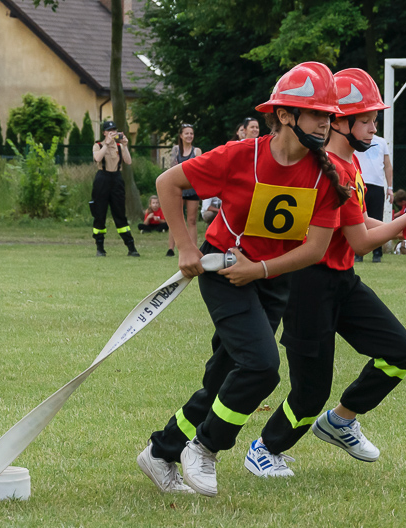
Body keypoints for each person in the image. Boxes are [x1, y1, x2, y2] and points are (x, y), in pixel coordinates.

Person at [137, 61, 347, 498]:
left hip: (269, 280)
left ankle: (161, 452)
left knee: (222, 379)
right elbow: (167, 183)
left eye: (330, 116)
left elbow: (314, 249)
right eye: (317, 114)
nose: (327, 124)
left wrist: (261, 270)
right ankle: (206, 449)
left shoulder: (327, 174)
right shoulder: (239, 155)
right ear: (285, 115)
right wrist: (186, 246)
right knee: (261, 367)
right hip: (225, 272)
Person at [242, 67, 406, 478]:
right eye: (365, 120)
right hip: (307, 284)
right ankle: (264, 449)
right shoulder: (329, 168)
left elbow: (358, 224)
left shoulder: (348, 166)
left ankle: (341, 420)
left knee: (400, 351)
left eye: (373, 120)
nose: (372, 128)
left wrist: (405, 220)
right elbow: (362, 241)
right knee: (310, 392)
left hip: (342, 280)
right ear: (340, 121)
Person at [90, 120, 139, 257]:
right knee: (100, 213)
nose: (112, 132)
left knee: (120, 213)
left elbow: (128, 161)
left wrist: (125, 146)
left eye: (114, 130)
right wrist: (106, 144)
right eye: (109, 130)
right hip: (102, 179)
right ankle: (100, 247)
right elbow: (97, 158)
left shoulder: (119, 146)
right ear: (104, 132)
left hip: (116, 179)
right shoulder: (98, 145)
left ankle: (131, 247)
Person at [354, 112, 393, 262]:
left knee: (376, 218)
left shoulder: (381, 142)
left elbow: (387, 166)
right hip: (360, 184)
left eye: (374, 122)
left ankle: (377, 252)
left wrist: (390, 187)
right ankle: (359, 253)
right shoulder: (356, 140)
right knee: (360, 219)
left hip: (377, 184)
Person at [166, 124, 203, 257]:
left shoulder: (197, 151)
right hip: (178, 188)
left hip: (192, 188)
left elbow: (198, 169)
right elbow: (171, 168)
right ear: (181, 135)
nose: (189, 136)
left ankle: (193, 248)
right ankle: (171, 248)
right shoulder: (176, 150)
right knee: (176, 218)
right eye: (186, 133)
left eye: (191, 133)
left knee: (191, 220)